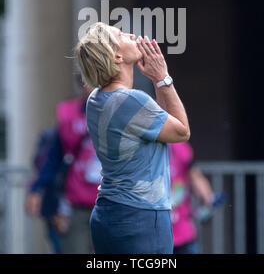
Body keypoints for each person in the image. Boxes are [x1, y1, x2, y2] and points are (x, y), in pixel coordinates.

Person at [75, 21, 190, 254]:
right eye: (122, 36)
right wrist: (162, 77)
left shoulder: (95, 99)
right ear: (117, 57)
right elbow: (181, 132)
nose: (131, 35)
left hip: (107, 214)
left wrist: (157, 81)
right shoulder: (132, 101)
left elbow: (158, 123)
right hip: (141, 216)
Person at [25, 80, 102, 254]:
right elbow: (54, 158)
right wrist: (36, 189)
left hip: (112, 201)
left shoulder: (121, 110)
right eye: (88, 81)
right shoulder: (69, 115)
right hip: (77, 202)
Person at [169, 142, 214, 254]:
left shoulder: (179, 145)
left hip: (180, 231)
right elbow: (196, 176)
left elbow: (196, 176)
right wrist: (208, 201)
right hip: (164, 231)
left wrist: (208, 201)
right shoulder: (178, 143)